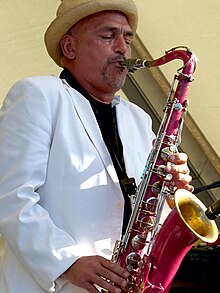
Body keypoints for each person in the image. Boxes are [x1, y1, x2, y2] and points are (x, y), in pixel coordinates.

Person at [0, 1, 194, 292]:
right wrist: (68, 261)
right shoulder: (39, 95)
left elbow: (145, 213)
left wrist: (171, 193)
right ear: (69, 47)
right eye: (108, 36)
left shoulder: (138, 118)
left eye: (127, 38)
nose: (123, 48)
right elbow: (11, 197)